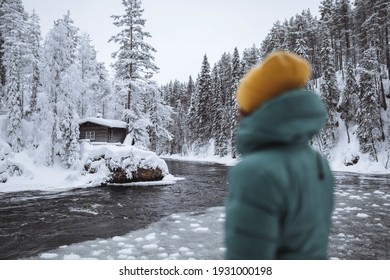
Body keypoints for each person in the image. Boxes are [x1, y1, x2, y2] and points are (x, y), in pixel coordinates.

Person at [225, 51, 334, 259]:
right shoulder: (317, 161)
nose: (238, 112)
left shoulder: (255, 172)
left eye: (243, 104)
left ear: (256, 107)